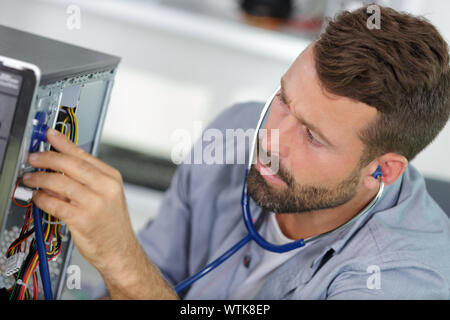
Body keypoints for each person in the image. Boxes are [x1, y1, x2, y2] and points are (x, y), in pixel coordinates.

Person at [22, 5, 450, 300]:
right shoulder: (233, 132)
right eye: (283, 98)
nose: (269, 140)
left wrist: (122, 261)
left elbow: (131, 276)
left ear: (384, 170)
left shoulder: (404, 278)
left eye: (313, 137)